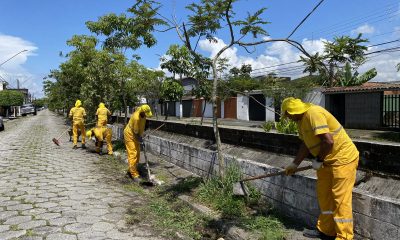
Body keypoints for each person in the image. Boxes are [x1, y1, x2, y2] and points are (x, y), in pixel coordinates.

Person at [281, 97, 359, 240]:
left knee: (340, 200)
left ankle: (345, 236)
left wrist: (318, 159)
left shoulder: (313, 113)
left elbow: (328, 141)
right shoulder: (300, 121)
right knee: (325, 197)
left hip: (343, 160)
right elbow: (305, 144)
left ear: (291, 112)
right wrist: (294, 164)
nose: (287, 118)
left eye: (287, 115)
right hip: (326, 162)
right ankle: (326, 231)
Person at [124, 104, 152, 182]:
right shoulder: (136, 118)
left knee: (138, 153)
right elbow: (136, 133)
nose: (146, 116)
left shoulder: (141, 110)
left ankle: (132, 169)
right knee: (133, 153)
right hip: (130, 135)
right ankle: (134, 174)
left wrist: (145, 128)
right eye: (145, 114)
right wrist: (141, 140)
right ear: (142, 112)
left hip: (136, 134)